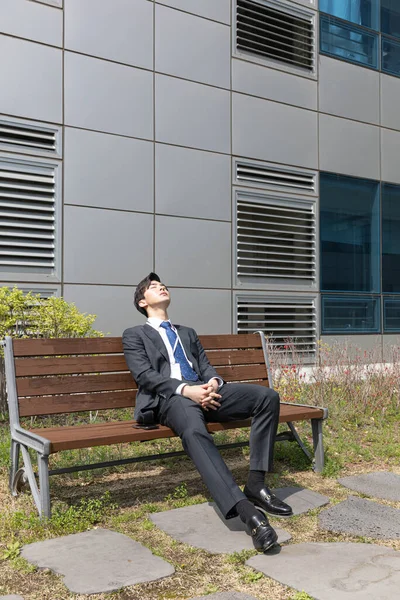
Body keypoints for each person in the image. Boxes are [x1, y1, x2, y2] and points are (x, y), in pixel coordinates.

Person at [122, 273, 293, 552]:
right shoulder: (134, 334)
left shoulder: (186, 332)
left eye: (163, 284)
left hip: (207, 394)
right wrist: (186, 391)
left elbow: (206, 366)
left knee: (267, 397)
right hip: (172, 399)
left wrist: (214, 383)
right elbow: (144, 376)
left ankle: (256, 483)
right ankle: (247, 511)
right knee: (193, 430)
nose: (161, 287)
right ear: (143, 302)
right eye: (153, 287)